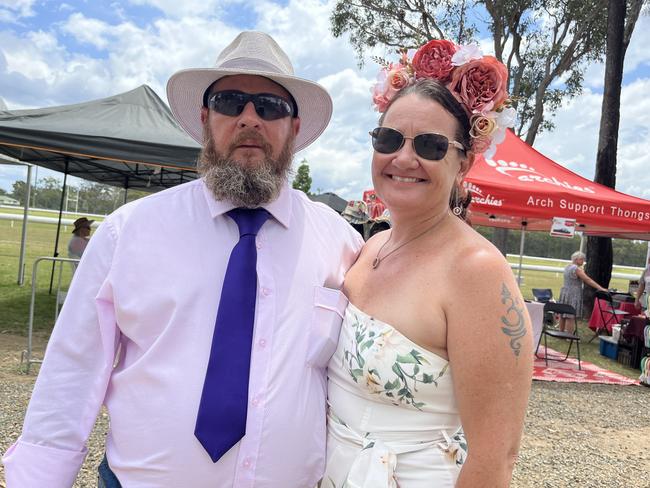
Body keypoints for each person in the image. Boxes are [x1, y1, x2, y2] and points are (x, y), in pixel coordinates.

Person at [3, 31, 363, 488]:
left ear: (293, 129)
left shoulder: (340, 242)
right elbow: (73, 368)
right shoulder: (128, 231)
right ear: (206, 118)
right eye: (232, 102)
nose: (250, 119)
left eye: (271, 107)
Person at [322, 40, 533, 487]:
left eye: (432, 146)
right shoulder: (369, 248)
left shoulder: (476, 271)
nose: (403, 158)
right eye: (389, 139)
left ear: (464, 162)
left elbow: (496, 459)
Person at [558, 251, 607, 332]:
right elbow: (587, 280)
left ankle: (561, 332)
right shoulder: (576, 269)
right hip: (573, 293)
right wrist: (600, 288)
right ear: (577, 259)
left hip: (565, 291)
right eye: (582, 259)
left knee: (563, 313)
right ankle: (569, 335)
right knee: (570, 315)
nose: (583, 261)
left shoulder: (567, 267)